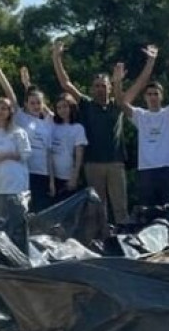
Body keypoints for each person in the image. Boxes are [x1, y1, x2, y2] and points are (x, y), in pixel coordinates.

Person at [52, 40, 128, 223]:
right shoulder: (86, 104)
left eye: (104, 85)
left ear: (109, 88)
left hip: (115, 163)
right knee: (97, 206)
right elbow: (66, 83)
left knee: (120, 206)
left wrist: (118, 81)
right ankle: (101, 240)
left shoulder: (117, 105)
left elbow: (126, 92)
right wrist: (56, 57)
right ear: (92, 88)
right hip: (92, 163)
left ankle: (125, 238)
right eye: (97, 86)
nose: (100, 89)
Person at [113, 46, 169, 207]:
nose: (152, 97)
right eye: (149, 94)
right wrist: (117, 83)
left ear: (162, 96)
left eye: (156, 94)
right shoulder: (140, 115)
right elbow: (121, 104)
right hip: (146, 171)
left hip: (168, 169)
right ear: (144, 97)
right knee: (148, 212)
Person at [0, 62, 56, 212]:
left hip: (43, 174)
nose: (35, 106)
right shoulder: (21, 117)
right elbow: (10, 95)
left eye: (38, 103)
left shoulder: (47, 123)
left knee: (43, 210)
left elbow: (48, 154)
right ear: (26, 104)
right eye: (32, 103)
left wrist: (51, 181)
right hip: (25, 172)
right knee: (25, 210)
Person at [0, 92, 32, 229]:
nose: (0, 112)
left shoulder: (18, 132)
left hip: (15, 183)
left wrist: (7, 155)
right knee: (0, 221)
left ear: (10, 111)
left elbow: (26, 154)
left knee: (18, 221)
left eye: (3, 108)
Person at [49, 93, 88, 203]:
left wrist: (74, 177)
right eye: (59, 107)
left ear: (71, 107)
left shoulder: (77, 128)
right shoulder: (52, 126)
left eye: (65, 106)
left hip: (68, 176)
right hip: (52, 176)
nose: (62, 110)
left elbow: (79, 155)